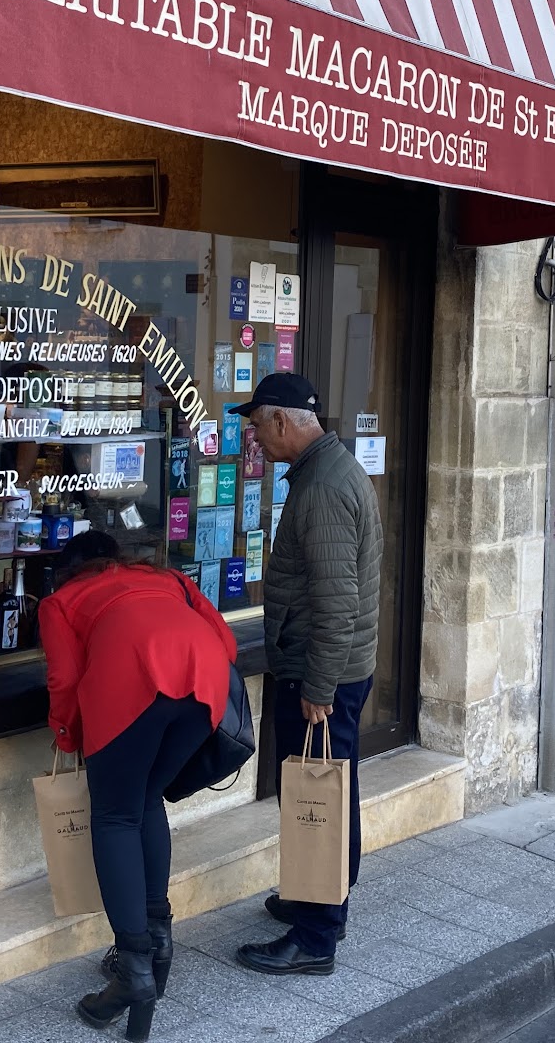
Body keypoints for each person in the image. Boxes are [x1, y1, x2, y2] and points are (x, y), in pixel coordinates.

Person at [36, 532, 237, 1039]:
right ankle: (158, 943)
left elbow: (63, 679)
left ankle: (134, 973)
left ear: (67, 572)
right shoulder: (168, 579)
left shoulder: (59, 602)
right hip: (205, 681)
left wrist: (66, 734)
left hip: (129, 683)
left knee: (114, 817)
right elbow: (227, 642)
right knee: (145, 801)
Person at [231, 373, 381, 978]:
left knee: (320, 791)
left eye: (256, 426)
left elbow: (335, 601)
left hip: (325, 675)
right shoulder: (331, 469)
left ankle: (316, 934)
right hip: (336, 668)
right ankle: (317, 892)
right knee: (322, 788)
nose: (254, 439)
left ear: (283, 422)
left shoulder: (319, 489)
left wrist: (318, 688)